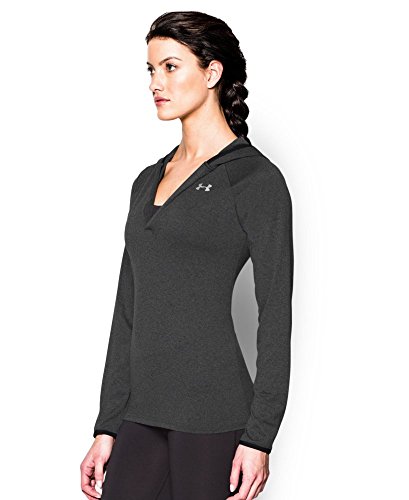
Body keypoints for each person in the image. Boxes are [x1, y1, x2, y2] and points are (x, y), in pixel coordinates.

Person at [80, 10, 294, 500]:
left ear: (212, 73)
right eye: (151, 69)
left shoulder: (255, 181)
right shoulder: (146, 181)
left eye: (171, 67)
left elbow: (275, 315)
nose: (155, 82)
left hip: (214, 413)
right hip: (140, 411)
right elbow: (128, 308)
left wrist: (260, 436)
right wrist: (107, 426)